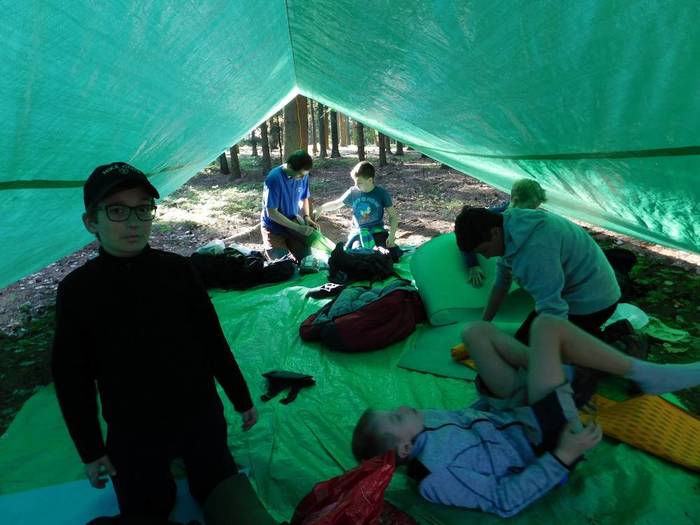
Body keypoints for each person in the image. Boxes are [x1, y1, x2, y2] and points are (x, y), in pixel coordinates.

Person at [51, 162, 258, 520]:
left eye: (143, 209)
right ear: (91, 222)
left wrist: (241, 399)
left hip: (199, 413)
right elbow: (72, 378)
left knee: (221, 494)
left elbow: (212, 340)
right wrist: (91, 450)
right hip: (133, 425)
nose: (133, 222)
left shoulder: (178, 271)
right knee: (147, 509)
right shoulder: (78, 290)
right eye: (117, 210)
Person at [351, 316, 700, 518]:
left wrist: (493, 394)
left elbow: (469, 420)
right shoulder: (436, 478)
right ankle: (637, 375)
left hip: (512, 413)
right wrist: (563, 455)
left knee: (475, 332)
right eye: (395, 419)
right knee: (547, 328)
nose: (400, 409)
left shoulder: (423, 424)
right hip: (542, 441)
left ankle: (562, 377)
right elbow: (504, 499)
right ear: (406, 449)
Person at [454, 205, 620, 345]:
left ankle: (612, 342)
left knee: (529, 357)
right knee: (522, 346)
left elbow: (553, 310)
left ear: (495, 233)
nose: (487, 257)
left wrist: (545, 355)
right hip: (571, 295)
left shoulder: (534, 250)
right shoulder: (510, 225)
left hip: (594, 303)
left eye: (484, 250)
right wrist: (483, 324)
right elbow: (501, 283)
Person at [463, 179, 547, 288]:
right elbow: (466, 235)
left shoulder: (527, 219)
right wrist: (473, 265)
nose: (531, 213)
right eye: (529, 209)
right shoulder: (494, 217)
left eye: (535, 209)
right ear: (515, 200)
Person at [316, 161, 398, 251]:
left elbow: (393, 216)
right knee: (357, 253)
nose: (356, 185)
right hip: (358, 233)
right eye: (355, 182)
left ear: (370, 180)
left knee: (383, 252)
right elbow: (336, 204)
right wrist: (321, 208)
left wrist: (391, 235)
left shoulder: (381, 193)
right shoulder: (353, 192)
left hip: (377, 231)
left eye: (359, 182)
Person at [260, 149, 319, 262]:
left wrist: (307, 217)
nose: (302, 178)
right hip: (273, 228)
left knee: (307, 259)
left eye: (305, 175)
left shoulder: (303, 175)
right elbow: (272, 213)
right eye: (300, 175)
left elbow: (304, 197)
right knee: (282, 264)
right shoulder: (274, 178)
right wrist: (299, 228)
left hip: (293, 222)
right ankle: (268, 252)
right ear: (290, 166)